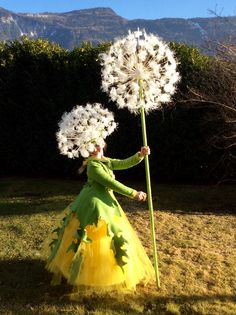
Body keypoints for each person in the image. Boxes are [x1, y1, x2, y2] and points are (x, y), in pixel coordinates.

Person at [45, 142, 155, 294]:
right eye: (92, 146)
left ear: (103, 143)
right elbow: (111, 182)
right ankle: (86, 271)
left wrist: (140, 155)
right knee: (92, 236)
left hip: (106, 201)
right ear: (87, 150)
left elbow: (123, 163)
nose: (96, 147)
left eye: (98, 143)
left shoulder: (105, 160)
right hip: (94, 204)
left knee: (112, 234)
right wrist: (133, 193)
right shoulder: (93, 166)